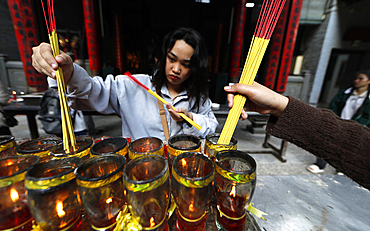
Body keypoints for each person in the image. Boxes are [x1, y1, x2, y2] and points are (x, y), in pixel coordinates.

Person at [31, 27, 218, 140]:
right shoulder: (133, 85)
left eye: (185, 65)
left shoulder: (198, 98)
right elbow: (92, 90)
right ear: (162, 57)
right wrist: (70, 73)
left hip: (180, 176)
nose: (176, 69)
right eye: (172, 59)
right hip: (141, 177)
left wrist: (191, 119)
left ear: (194, 68)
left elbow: (211, 126)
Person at [223, 82, 370, 190]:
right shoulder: (346, 92)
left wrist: (279, 105)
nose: (357, 81)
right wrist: (279, 105)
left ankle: (323, 165)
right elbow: (361, 146)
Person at [307, 70, 370, 174]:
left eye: (361, 78)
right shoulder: (345, 93)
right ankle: (320, 164)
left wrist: (355, 126)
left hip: (355, 127)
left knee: (348, 147)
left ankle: (341, 168)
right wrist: (334, 119)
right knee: (326, 142)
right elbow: (334, 105)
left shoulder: (368, 99)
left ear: (369, 81)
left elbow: (367, 116)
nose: (357, 81)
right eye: (356, 78)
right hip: (339, 122)